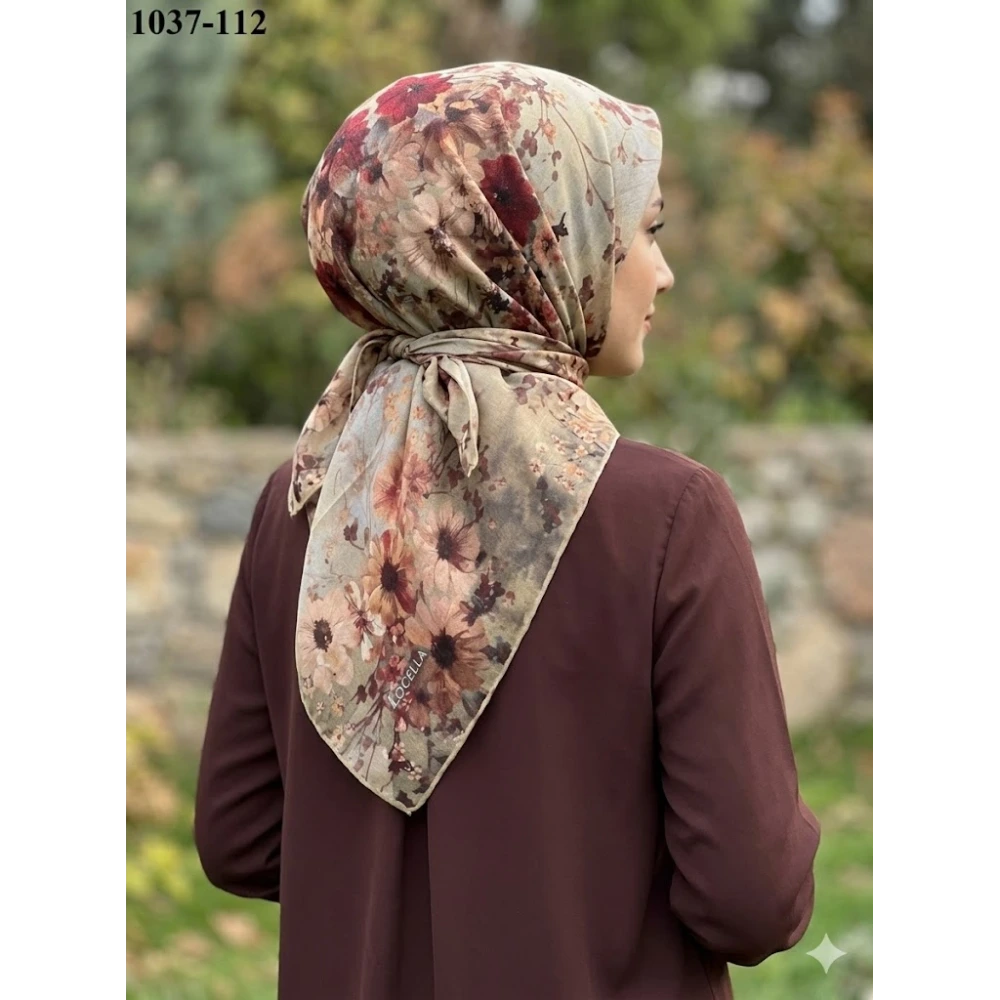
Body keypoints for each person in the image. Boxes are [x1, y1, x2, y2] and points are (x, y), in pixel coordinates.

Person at [194, 61, 821, 1000]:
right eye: (645, 230)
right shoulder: (668, 518)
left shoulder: (302, 504)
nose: (663, 271)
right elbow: (752, 896)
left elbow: (240, 838)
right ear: (540, 241)